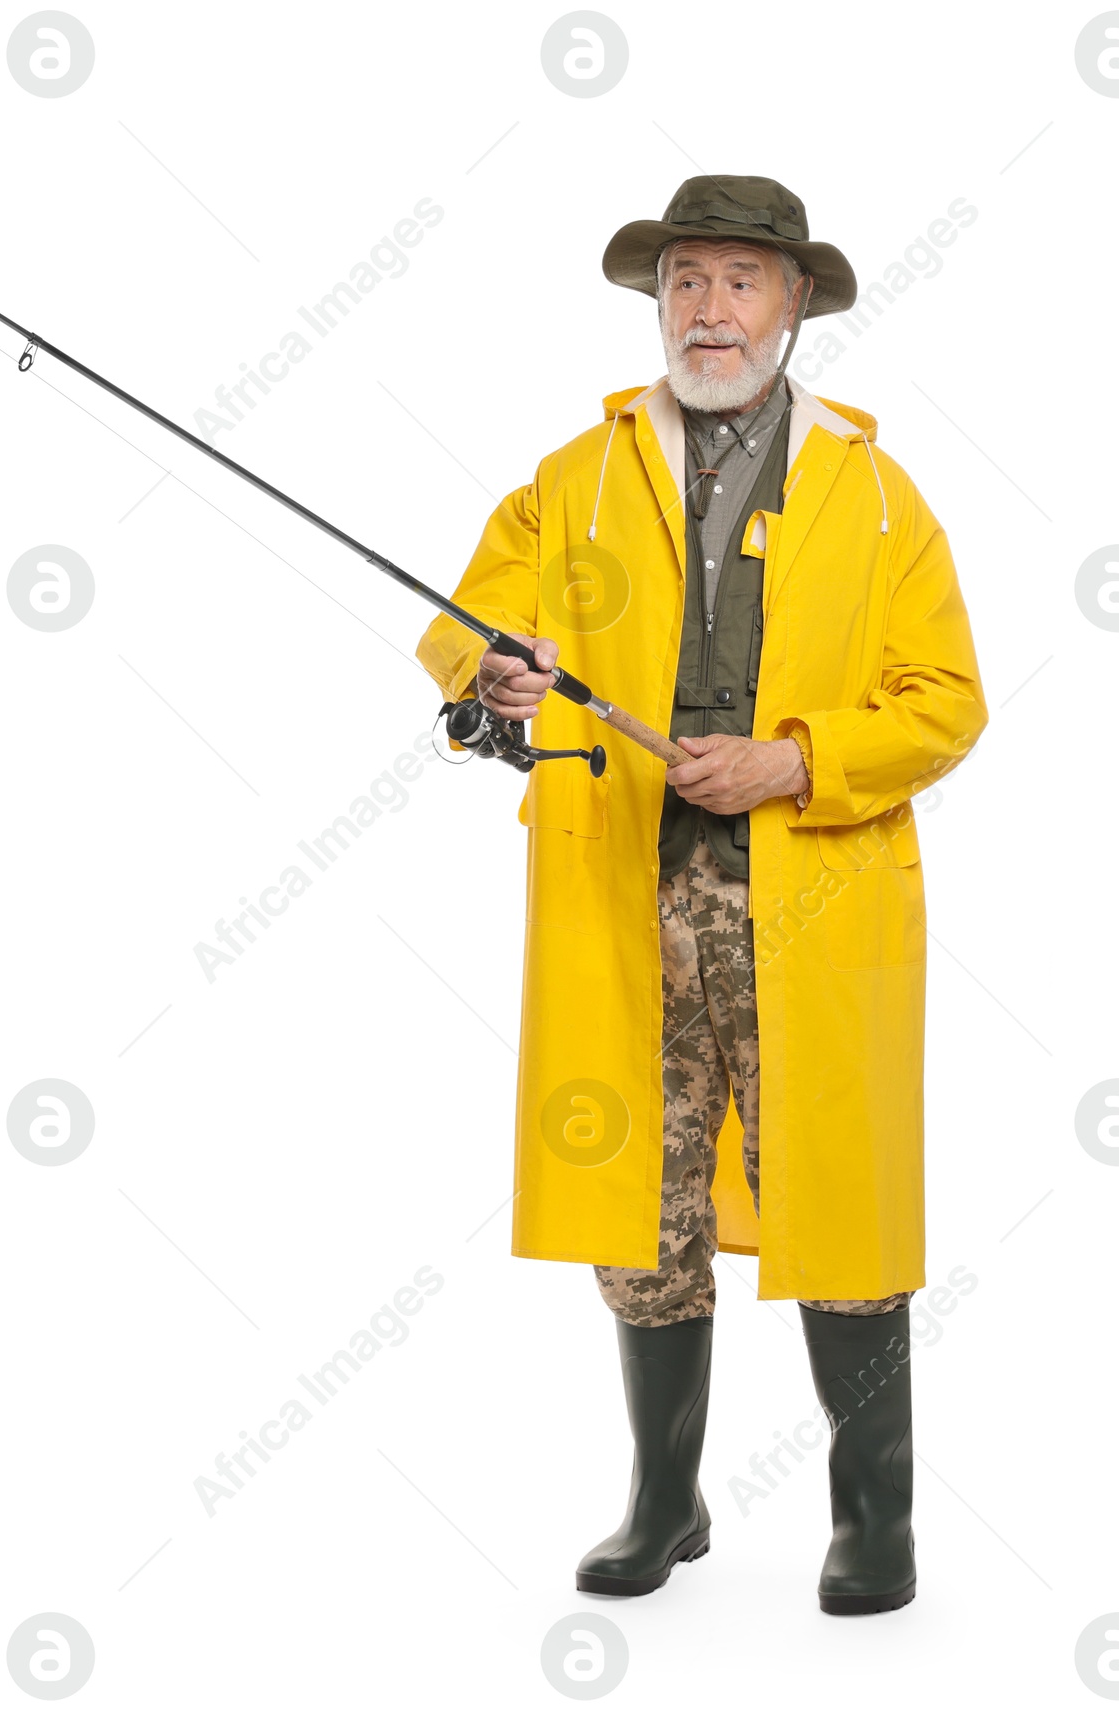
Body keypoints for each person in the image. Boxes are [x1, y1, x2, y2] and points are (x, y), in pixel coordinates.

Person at [415, 176, 987, 1615]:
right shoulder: (575, 478)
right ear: (656, 302)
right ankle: (666, 1499)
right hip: (626, 891)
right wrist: (491, 675)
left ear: (795, 306)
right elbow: (475, 631)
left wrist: (797, 761)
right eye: (685, 281)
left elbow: (946, 701)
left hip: (819, 901)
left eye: (740, 280)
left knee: (841, 1203)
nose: (708, 309)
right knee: (640, 1205)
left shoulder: (874, 488)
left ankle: (874, 1518)